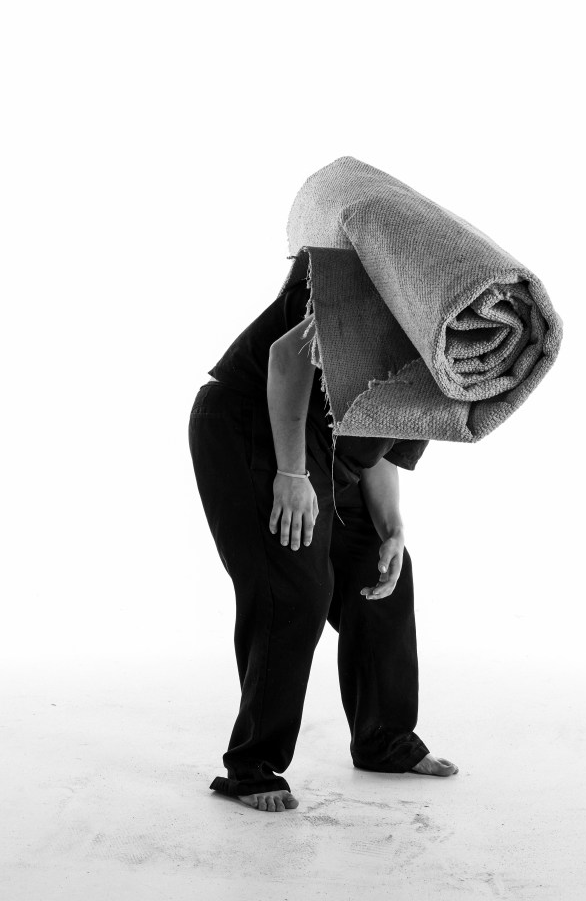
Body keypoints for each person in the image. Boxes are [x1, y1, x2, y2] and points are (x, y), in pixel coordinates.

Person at [187, 271, 457, 813]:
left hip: (329, 453)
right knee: (295, 589)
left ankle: (385, 740)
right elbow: (287, 359)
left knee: (377, 573)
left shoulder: (450, 370)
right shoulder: (384, 306)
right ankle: (252, 764)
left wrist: (392, 529)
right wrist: (290, 473)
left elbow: (379, 450)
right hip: (252, 420)